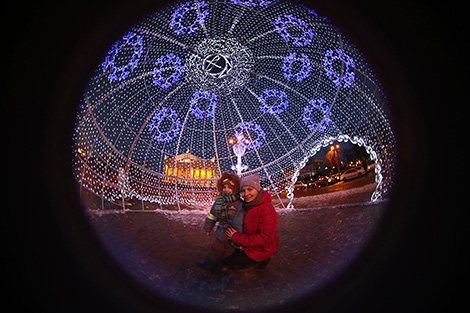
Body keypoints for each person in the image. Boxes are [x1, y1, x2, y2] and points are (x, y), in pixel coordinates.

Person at [222, 173, 279, 270]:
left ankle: (263, 259)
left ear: (257, 189)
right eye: (243, 191)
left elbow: (264, 237)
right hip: (248, 244)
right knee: (224, 254)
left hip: (261, 249)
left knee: (226, 264)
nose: (246, 194)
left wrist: (236, 237)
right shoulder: (246, 205)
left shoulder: (266, 209)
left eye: (250, 189)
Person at [196, 171, 244, 272]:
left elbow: (241, 220)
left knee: (228, 252)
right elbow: (212, 215)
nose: (226, 190)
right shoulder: (219, 201)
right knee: (215, 250)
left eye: (230, 187)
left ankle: (223, 267)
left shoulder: (239, 203)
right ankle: (208, 264)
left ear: (235, 188)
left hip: (233, 236)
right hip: (221, 233)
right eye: (224, 187)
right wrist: (208, 227)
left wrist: (239, 236)